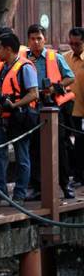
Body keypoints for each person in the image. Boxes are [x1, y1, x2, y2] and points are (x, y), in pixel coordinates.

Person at [0, 33, 38, 207]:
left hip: (20, 118)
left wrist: (15, 105)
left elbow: (34, 93)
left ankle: (19, 194)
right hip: (0, 118)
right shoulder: (1, 67)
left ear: (8, 49)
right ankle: (0, 192)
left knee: (22, 156)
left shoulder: (25, 67)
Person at [25, 24, 76, 200]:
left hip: (54, 108)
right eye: (32, 39)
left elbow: (70, 77)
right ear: (28, 40)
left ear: (44, 39)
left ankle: (65, 184)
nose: (36, 42)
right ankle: (37, 186)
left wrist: (55, 88)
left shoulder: (55, 56)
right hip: (32, 108)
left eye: (39, 38)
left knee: (60, 147)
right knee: (34, 147)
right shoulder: (24, 59)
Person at [64, 27, 84, 186]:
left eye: (77, 44)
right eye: (71, 43)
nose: (73, 46)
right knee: (74, 142)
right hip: (72, 108)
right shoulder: (65, 58)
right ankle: (77, 175)